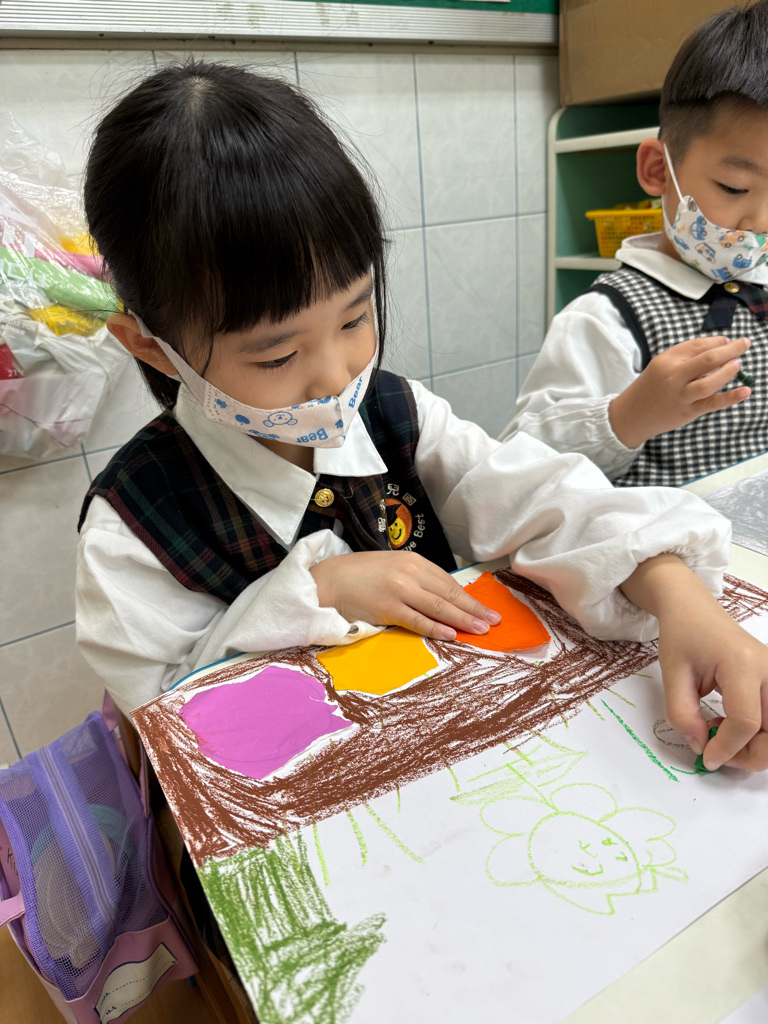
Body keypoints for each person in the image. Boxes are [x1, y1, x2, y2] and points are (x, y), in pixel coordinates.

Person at [76, 60, 768, 773]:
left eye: (355, 318)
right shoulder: (132, 530)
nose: (337, 377)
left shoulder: (397, 414)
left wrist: (677, 595)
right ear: (151, 348)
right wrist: (315, 593)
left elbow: (540, 497)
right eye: (277, 356)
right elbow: (170, 729)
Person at [503, 0, 768, 489]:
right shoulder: (605, 321)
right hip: (660, 533)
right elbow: (519, 472)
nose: (760, 222)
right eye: (734, 188)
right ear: (657, 170)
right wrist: (627, 416)